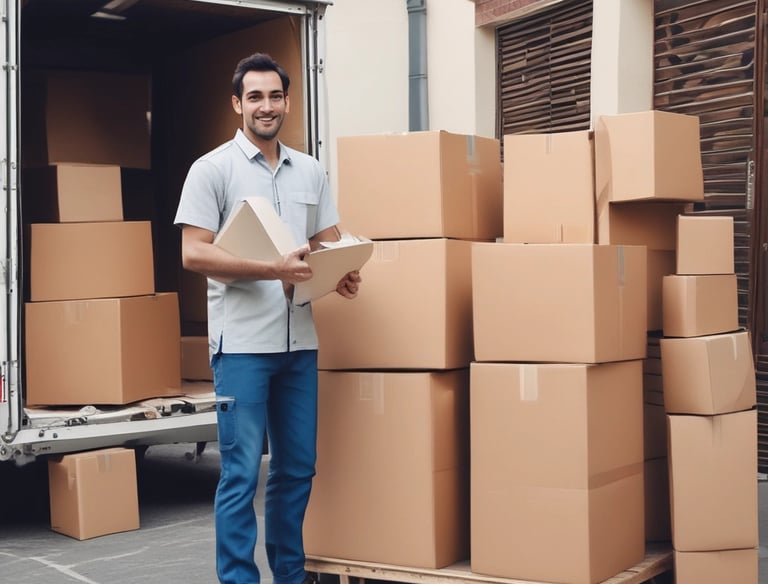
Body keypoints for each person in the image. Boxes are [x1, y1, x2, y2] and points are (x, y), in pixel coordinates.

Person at [174, 52, 361, 584]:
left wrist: (343, 271)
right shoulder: (212, 170)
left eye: (275, 95)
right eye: (254, 96)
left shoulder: (310, 170)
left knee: (297, 468)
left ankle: (291, 575)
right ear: (237, 104)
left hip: (300, 343)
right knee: (238, 474)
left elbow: (328, 243)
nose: (266, 105)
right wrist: (270, 267)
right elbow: (194, 253)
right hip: (242, 350)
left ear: (286, 101)